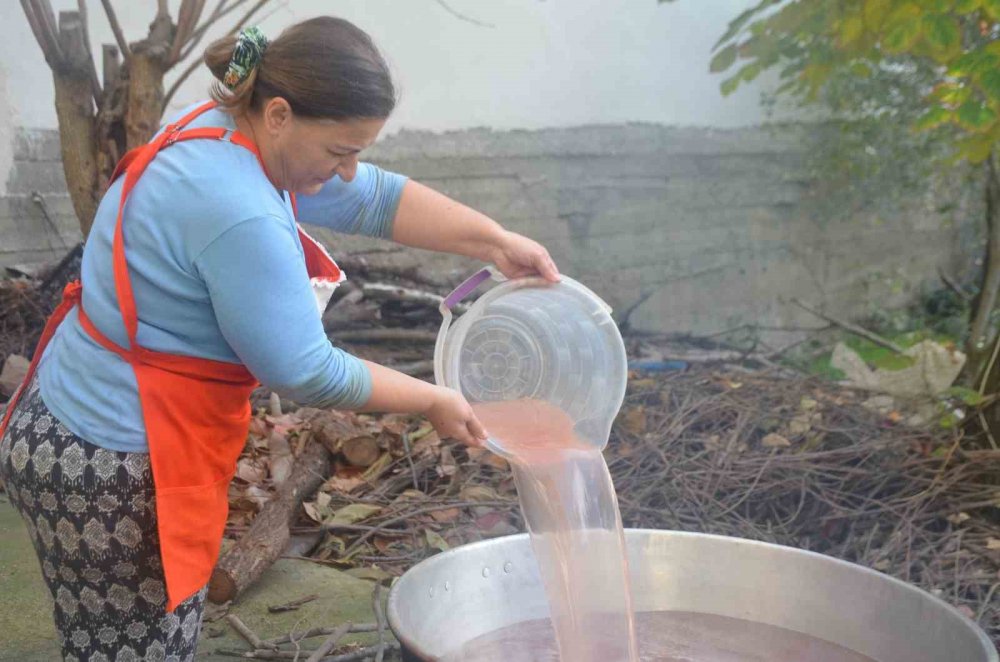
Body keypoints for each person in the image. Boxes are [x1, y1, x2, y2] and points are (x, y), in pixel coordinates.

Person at [0, 17, 559, 662]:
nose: (349, 171)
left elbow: (371, 199)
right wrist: (434, 399)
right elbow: (306, 371)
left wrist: (495, 242)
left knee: (114, 638)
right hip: (108, 468)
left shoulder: (221, 126)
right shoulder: (240, 209)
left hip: (64, 415)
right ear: (280, 114)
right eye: (340, 152)